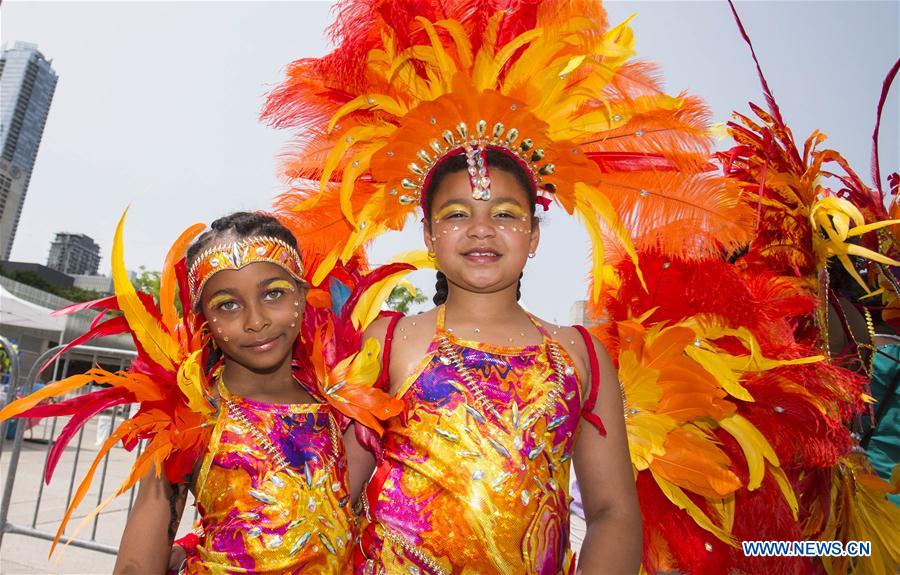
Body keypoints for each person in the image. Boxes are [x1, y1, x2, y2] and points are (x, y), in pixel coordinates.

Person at [0, 211, 401, 574]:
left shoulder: (343, 407)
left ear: (302, 293)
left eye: (273, 293)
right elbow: (137, 563)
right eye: (228, 305)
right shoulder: (190, 420)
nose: (256, 320)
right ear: (203, 319)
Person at [354, 149, 641, 574]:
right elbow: (336, 493)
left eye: (505, 214)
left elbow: (613, 512)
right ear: (429, 235)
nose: (481, 229)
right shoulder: (391, 341)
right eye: (457, 214)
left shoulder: (580, 354)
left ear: (534, 235)